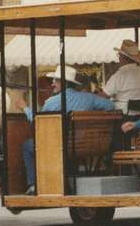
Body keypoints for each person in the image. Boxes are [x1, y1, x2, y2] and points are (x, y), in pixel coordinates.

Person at [22, 65, 115, 194]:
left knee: (27, 145)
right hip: (85, 146)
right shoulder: (89, 98)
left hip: (59, 146)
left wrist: (24, 108)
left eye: (56, 80)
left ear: (64, 83)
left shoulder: (51, 102)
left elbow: (39, 123)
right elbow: (110, 105)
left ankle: (33, 185)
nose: (53, 83)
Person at [98, 39, 140, 109]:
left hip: (125, 115)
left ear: (123, 58)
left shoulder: (120, 75)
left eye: (119, 55)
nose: (119, 58)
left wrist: (89, 97)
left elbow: (103, 96)